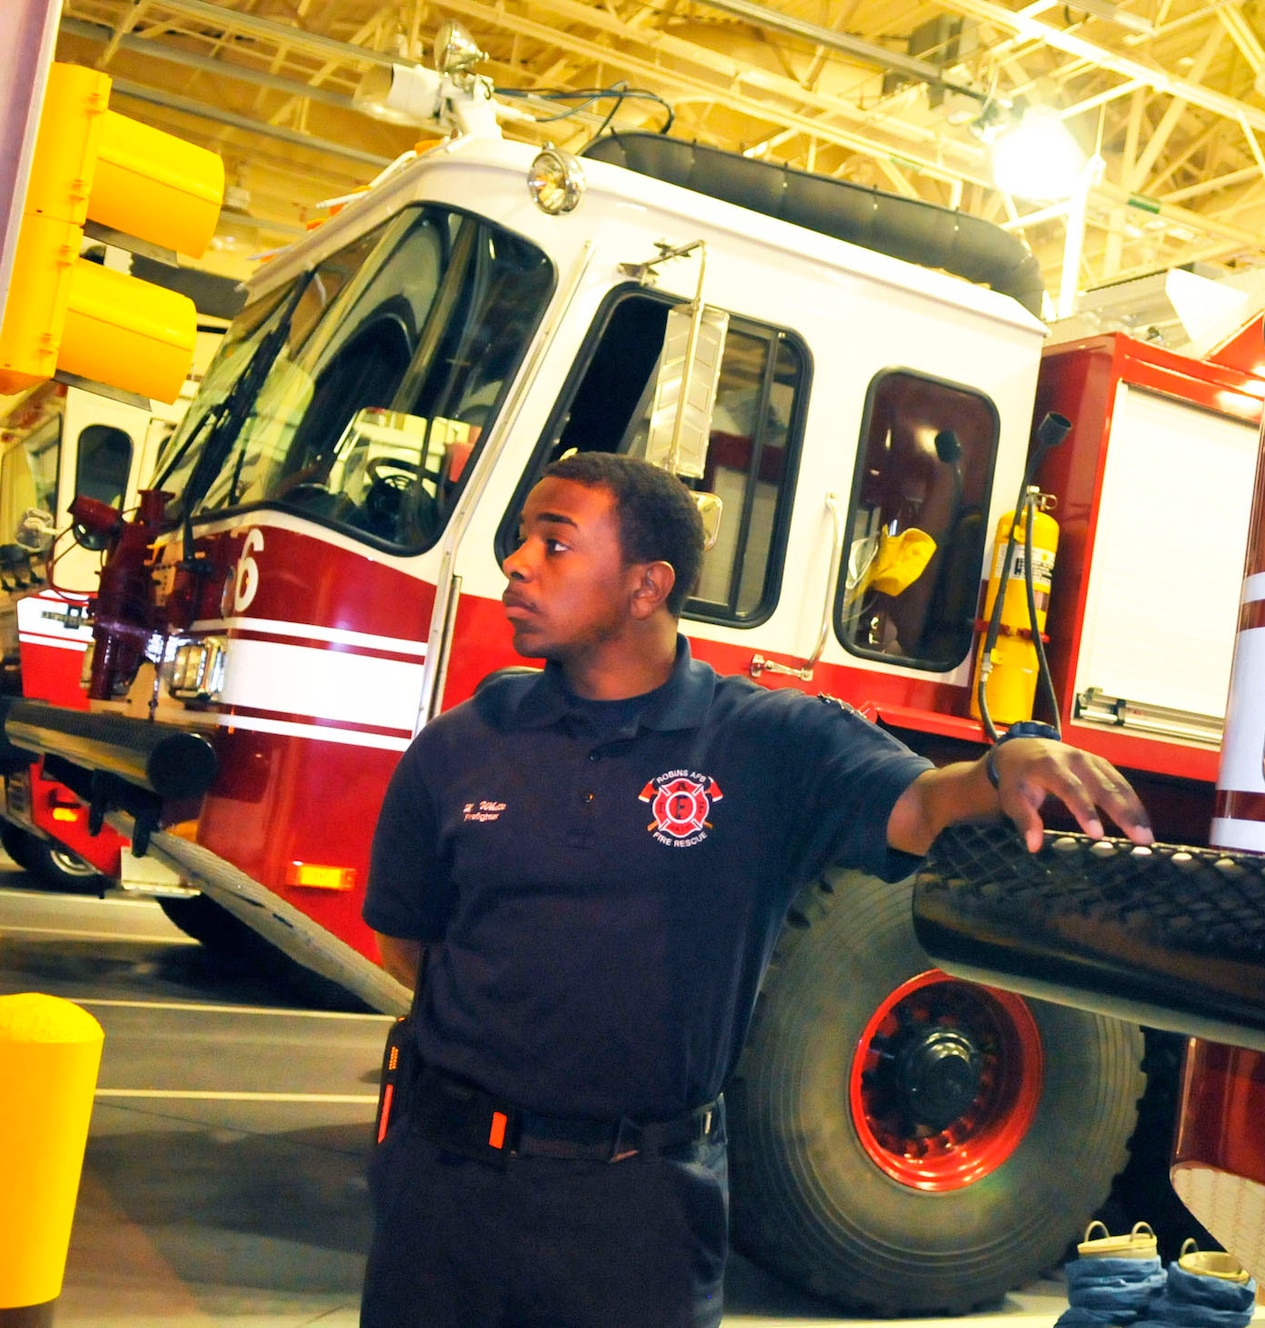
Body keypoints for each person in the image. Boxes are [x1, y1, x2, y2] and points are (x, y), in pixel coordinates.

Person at [359, 450, 1153, 1327]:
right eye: (520, 541)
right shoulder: (458, 746)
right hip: (444, 1190)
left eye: (554, 544)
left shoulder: (769, 743)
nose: (517, 563)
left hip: (638, 1214)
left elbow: (923, 803)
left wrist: (1005, 763)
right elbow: (409, 945)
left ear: (645, 585)